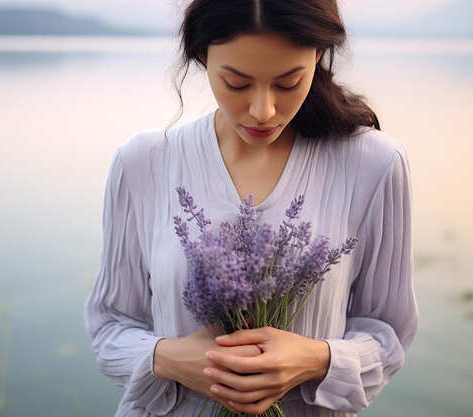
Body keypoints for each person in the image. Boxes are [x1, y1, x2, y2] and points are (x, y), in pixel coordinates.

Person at [84, 0, 418, 416]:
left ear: (317, 56)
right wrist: (169, 358)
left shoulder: (376, 164)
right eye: (238, 84)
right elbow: (110, 326)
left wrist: (315, 359)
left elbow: (389, 333)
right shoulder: (142, 162)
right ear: (203, 56)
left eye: (288, 83)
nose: (264, 110)